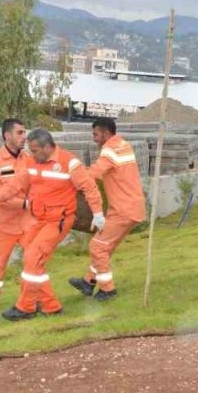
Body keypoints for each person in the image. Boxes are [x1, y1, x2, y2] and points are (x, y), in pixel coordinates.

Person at [0, 128, 104, 321]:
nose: (32, 154)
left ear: (48, 147)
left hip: (59, 221)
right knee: (32, 261)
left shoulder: (69, 163)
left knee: (33, 258)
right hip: (40, 219)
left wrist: (98, 213)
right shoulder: (32, 163)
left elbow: (89, 188)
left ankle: (25, 307)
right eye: (30, 151)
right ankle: (51, 306)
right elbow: (16, 184)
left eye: (35, 150)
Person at [69, 117, 145, 301]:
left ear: (105, 132)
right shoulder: (123, 145)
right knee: (105, 246)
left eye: (95, 134)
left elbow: (94, 174)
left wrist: (72, 177)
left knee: (97, 246)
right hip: (131, 208)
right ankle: (88, 281)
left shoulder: (110, 151)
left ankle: (108, 289)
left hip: (123, 210)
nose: (94, 138)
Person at [0, 118, 36, 324]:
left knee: (34, 262)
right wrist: (25, 204)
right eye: (20, 133)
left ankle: (29, 304)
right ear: (7, 136)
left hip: (26, 222)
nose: (24, 137)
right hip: (2, 225)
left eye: (24, 132)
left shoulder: (27, 158)